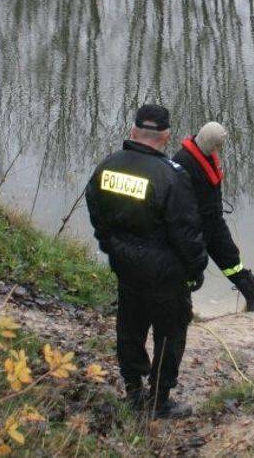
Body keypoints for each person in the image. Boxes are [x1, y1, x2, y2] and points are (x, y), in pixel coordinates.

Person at [84, 104, 208, 418]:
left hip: (125, 264)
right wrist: (196, 268)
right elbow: (187, 231)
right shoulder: (171, 176)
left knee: (130, 326)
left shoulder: (107, 167)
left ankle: (133, 390)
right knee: (170, 332)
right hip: (165, 272)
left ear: (133, 131)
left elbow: (96, 212)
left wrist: (111, 246)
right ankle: (159, 400)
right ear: (166, 136)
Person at [174, 121, 254, 312]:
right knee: (188, 268)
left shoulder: (208, 155)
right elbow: (177, 200)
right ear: (208, 141)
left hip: (215, 221)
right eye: (217, 145)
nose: (219, 149)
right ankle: (179, 308)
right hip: (195, 226)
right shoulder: (183, 161)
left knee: (231, 259)